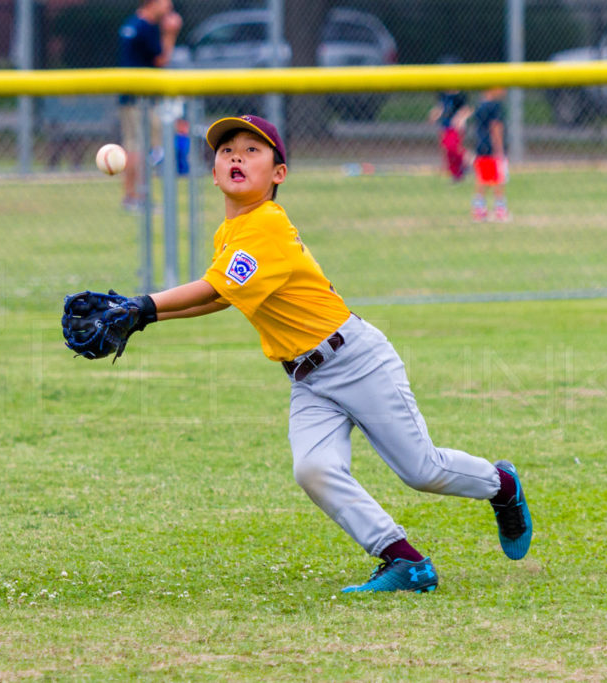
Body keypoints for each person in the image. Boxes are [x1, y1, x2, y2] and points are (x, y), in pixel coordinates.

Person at [104, 115, 533, 593]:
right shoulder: (232, 234)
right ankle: (404, 560)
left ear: (279, 174)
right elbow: (222, 296)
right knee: (313, 469)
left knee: (422, 470)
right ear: (214, 172)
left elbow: (211, 287)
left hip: (356, 360)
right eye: (227, 151)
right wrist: (144, 317)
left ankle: (503, 485)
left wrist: (142, 305)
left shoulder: (267, 224)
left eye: (252, 150)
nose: (237, 157)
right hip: (308, 378)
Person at [117, 0, 182, 211]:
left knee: (136, 146)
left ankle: (133, 196)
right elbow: (162, 60)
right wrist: (171, 33)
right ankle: (137, 197)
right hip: (140, 99)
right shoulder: (146, 27)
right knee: (139, 147)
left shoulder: (132, 23)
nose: (169, 6)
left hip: (130, 96)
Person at [457, 88, 510, 222]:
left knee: (482, 179)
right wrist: (499, 149)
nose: (504, 90)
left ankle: (479, 210)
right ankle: (500, 210)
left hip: (481, 146)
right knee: (498, 179)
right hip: (492, 148)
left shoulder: (480, 104)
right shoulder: (495, 106)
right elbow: (495, 127)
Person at [427, 89, 470, 182]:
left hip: (456, 127)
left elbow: (466, 110)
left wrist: (460, 118)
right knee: (447, 150)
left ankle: (466, 158)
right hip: (445, 126)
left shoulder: (460, 96)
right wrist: (434, 115)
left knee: (453, 147)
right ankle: (456, 174)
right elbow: (440, 107)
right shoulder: (443, 95)